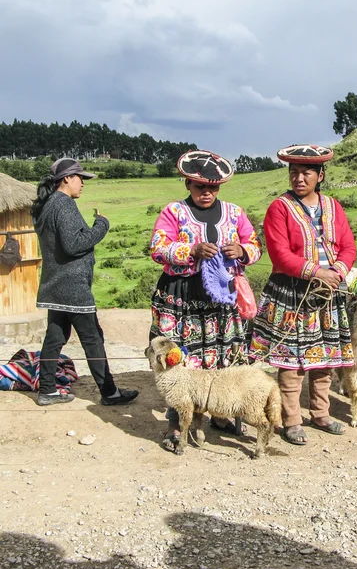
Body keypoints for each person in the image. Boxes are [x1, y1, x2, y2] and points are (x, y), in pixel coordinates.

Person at [149, 149, 262, 450]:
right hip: (182, 295)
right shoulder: (173, 212)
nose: (207, 192)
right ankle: (176, 422)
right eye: (200, 187)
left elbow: (254, 244)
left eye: (212, 187)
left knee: (223, 355)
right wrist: (191, 251)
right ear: (188, 184)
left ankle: (220, 413)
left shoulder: (235, 214)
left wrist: (243, 251)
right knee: (177, 359)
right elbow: (158, 248)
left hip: (222, 300)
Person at [250, 144, 356, 445]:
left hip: (328, 295)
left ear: (320, 175)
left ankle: (321, 414)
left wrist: (337, 270)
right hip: (292, 295)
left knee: (324, 358)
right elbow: (280, 255)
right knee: (292, 360)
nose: (299, 178)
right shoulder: (279, 208)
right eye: (294, 172)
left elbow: (348, 246)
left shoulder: (333, 207)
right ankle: (292, 420)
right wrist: (315, 271)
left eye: (306, 172)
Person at [31, 158, 139, 407]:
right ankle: (109, 392)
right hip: (73, 286)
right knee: (93, 338)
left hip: (54, 284)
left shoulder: (47, 205)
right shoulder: (63, 204)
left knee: (55, 338)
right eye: (81, 178)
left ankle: (47, 389)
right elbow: (74, 245)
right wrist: (101, 225)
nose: (83, 183)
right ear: (67, 178)